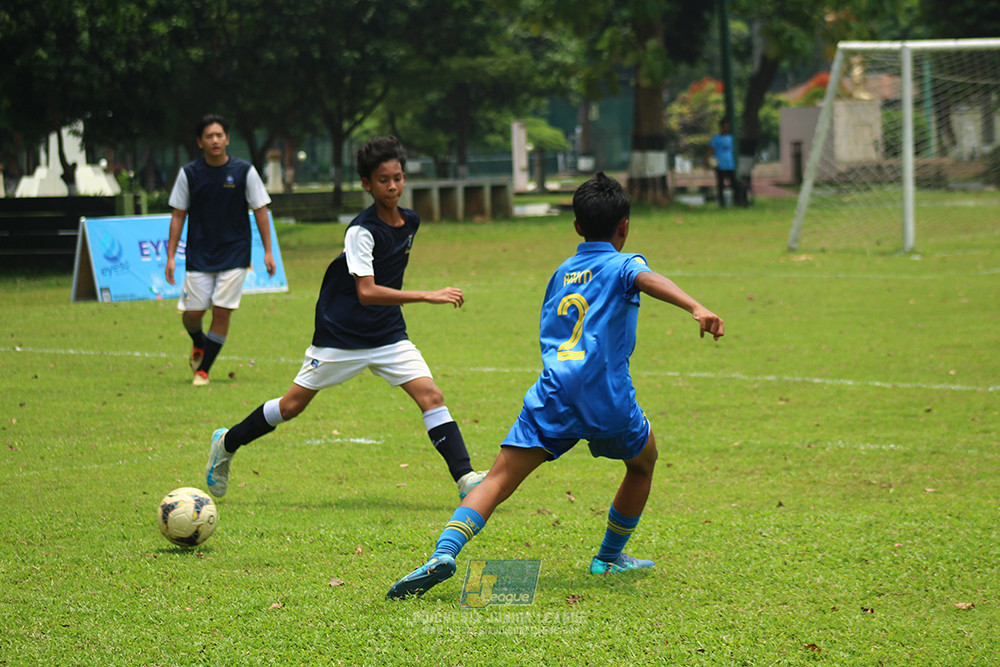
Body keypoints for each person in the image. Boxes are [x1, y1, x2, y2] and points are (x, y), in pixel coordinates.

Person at [387, 172, 724, 599]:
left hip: (554, 392)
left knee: (497, 478)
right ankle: (608, 557)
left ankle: (443, 552)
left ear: (577, 226)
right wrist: (695, 306)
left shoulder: (562, 272)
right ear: (624, 227)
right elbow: (646, 279)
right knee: (643, 462)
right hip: (606, 396)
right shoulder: (625, 264)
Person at [205, 136, 485, 500]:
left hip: (387, 334)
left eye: (398, 177)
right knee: (291, 406)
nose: (392, 186)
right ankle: (227, 443)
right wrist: (427, 295)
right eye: (383, 180)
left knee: (431, 395)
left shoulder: (410, 222)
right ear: (367, 184)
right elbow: (366, 291)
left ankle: (466, 480)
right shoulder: (360, 231)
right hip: (341, 335)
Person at [165, 114, 276, 386]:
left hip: (235, 253)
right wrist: (170, 256)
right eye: (209, 136)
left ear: (227, 139)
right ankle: (198, 341)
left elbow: (261, 210)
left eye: (219, 135)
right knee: (193, 315)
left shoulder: (244, 171)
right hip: (199, 254)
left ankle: (203, 370)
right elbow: (178, 215)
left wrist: (268, 251)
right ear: (200, 142)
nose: (214, 140)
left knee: (222, 310)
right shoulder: (189, 174)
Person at [709, 119, 742, 207]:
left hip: (730, 165)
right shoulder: (716, 138)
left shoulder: (731, 138)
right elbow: (711, 149)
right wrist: (707, 160)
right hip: (720, 165)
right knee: (721, 185)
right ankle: (722, 203)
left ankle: (737, 201)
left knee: (734, 183)